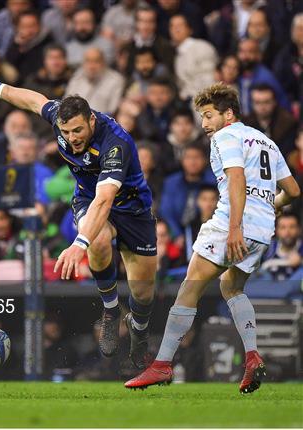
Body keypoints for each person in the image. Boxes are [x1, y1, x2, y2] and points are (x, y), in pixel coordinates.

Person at [0, 60, 157, 368]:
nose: (72, 138)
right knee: (98, 238)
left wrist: (78, 244)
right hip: (88, 198)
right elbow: (34, 100)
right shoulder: (60, 119)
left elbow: (107, 198)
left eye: (78, 130)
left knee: (143, 293)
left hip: (132, 209)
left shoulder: (116, 143)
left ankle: (139, 333)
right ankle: (111, 310)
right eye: (65, 131)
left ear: (91, 120)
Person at [125, 83, 300, 393]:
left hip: (231, 224)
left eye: (208, 115)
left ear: (228, 114)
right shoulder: (267, 142)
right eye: (201, 117)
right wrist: (269, 208)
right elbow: (294, 190)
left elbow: (236, 177)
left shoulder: (226, 136)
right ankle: (251, 355)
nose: (204, 124)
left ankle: (162, 365)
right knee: (231, 287)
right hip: (261, 230)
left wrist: (234, 228)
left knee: (189, 287)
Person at [64, 47, 125, 115]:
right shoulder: (77, 77)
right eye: (88, 61)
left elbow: (113, 110)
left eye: (96, 61)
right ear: (83, 63)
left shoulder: (116, 80)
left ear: (103, 63)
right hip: (75, 121)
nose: (92, 66)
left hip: (102, 122)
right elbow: (65, 105)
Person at [260, 214, 303, 281]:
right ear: (276, 230)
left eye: (292, 227)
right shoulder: (269, 248)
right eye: (283, 227)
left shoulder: (301, 248)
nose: (287, 232)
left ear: (299, 229)